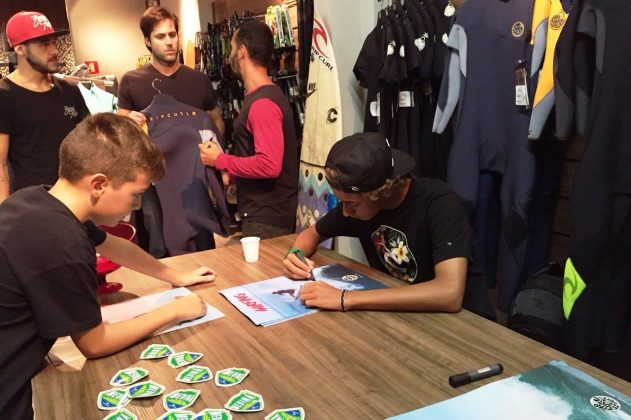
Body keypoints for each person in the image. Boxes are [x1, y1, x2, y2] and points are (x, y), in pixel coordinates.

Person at [0, 113, 216, 419]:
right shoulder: (61, 240)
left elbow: (115, 246)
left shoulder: (36, 200)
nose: (135, 207)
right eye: (136, 195)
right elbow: (95, 343)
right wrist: (176, 309)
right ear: (99, 184)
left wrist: (176, 276)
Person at [283, 132, 476, 313]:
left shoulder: (440, 204)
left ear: (380, 193)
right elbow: (310, 234)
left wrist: (345, 298)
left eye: (352, 204)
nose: (346, 212)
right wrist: (295, 256)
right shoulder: (359, 205)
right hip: (400, 316)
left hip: (466, 327)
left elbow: (450, 293)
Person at [117, 5, 225, 257]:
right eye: (160, 36)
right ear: (147, 41)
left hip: (194, 183)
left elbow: (216, 123)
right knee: (159, 248)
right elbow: (120, 133)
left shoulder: (198, 80)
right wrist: (127, 124)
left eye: (172, 34)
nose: (169, 42)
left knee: (203, 247)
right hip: (153, 185)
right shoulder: (132, 81)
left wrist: (216, 161)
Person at [199, 20, 299, 239]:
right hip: (265, 215)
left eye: (233, 48)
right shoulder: (260, 98)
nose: (231, 55)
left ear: (242, 51)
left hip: (267, 219)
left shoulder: (262, 104)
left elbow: (269, 165)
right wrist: (233, 174)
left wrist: (221, 160)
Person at [0, 11, 90, 204]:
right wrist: (5, 214)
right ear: (20, 49)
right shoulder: (5, 94)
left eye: (53, 42)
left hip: (76, 201)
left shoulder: (70, 91)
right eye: (44, 44)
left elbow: (90, 141)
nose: (54, 51)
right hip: (33, 206)